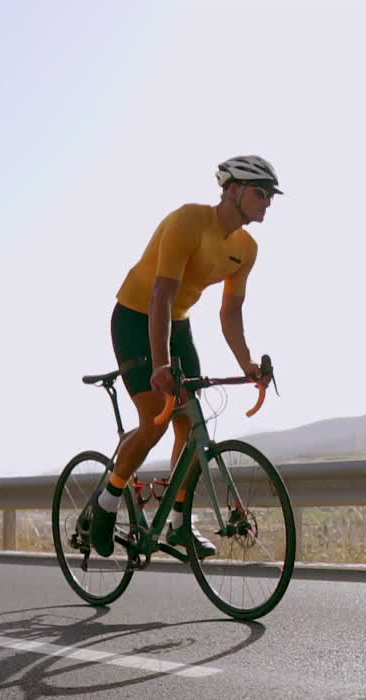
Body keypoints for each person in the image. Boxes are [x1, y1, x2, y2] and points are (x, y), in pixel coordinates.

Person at [90, 155, 283, 558]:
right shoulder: (188, 221)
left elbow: (230, 312)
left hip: (176, 324)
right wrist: (160, 365)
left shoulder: (247, 248)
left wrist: (246, 364)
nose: (267, 202)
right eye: (260, 192)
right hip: (135, 318)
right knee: (156, 420)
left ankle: (180, 524)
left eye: (270, 195)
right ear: (233, 190)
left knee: (193, 426)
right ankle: (107, 501)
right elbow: (161, 293)